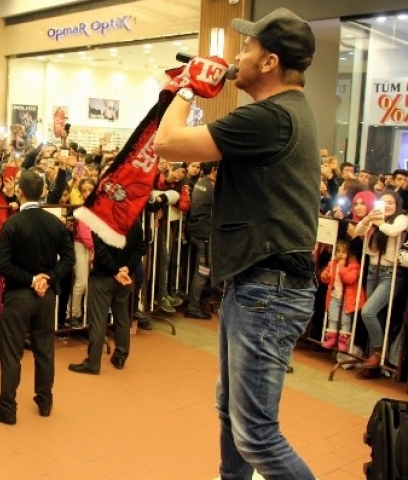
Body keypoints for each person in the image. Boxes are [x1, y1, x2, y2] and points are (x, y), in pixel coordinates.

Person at [154, 7, 320, 479]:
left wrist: (189, 85)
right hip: (256, 285)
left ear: (269, 62)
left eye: (247, 48)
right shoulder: (284, 114)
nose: (238, 57)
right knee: (232, 415)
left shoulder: (271, 118)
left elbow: (166, 144)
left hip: (267, 290)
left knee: (257, 434)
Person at [0, 170, 74, 425]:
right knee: (45, 350)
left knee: (11, 352)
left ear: (19, 192)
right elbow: (69, 258)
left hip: (19, 295)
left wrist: (31, 280)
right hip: (46, 297)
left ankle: (7, 408)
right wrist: (48, 278)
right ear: (43, 192)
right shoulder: (54, 222)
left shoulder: (13, 223)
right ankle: (45, 401)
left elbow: (2, 264)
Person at [68, 217, 145, 374]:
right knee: (122, 316)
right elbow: (140, 248)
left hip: (104, 277)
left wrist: (116, 271)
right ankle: (120, 356)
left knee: (98, 320)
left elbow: (101, 251)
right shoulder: (134, 219)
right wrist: (126, 269)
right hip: (124, 276)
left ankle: (93, 363)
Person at [353, 190, 407, 378]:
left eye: (391, 202)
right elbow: (357, 232)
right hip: (371, 272)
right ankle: (376, 362)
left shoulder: (401, 218)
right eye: (383, 202)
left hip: (390, 274)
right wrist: (368, 218)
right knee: (378, 316)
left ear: (397, 203)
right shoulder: (376, 217)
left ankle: (377, 353)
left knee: (367, 312)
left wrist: (380, 222)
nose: (387, 205)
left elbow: (392, 231)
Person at [319, 239, 365, 353]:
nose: (340, 254)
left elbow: (350, 279)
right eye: (338, 251)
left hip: (347, 299)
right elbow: (325, 278)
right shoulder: (332, 263)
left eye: (344, 252)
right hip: (334, 296)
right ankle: (331, 338)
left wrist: (342, 268)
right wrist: (325, 275)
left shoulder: (354, 266)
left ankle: (343, 341)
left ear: (349, 254)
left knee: (345, 320)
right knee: (332, 317)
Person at [185, 161, 217, 319]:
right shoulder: (212, 188)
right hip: (204, 235)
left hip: (196, 231)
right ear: (214, 169)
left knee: (201, 271)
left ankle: (197, 302)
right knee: (202, 272)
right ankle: (193, 307)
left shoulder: (200, 183)